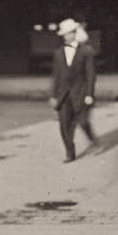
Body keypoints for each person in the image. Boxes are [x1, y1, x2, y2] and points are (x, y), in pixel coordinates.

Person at [49, 18, 97, 163]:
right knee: (64, 125)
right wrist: (52, 95)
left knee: (83, 121)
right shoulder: (58, 53)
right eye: (64, 34)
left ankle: (90, 136)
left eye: (68, 33)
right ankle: (70, 153)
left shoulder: (86, 51)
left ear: (75, 33)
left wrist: (89, 94)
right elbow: (56, 75)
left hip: (80, 92)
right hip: (63, 95)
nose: (65, 37)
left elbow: (90, 75)